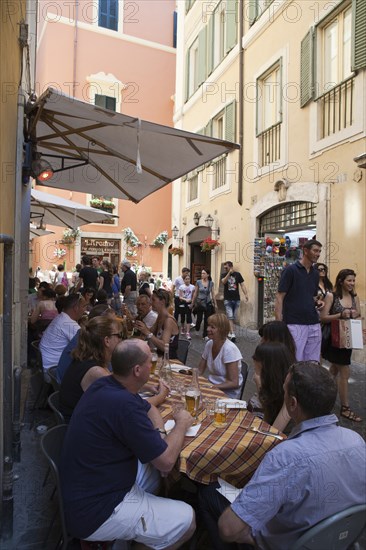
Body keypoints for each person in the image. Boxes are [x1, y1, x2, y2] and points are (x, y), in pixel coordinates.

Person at [199, 362, 365, 550]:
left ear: (292, 403)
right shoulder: (357, 441)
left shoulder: (286, 456)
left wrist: (253, 538)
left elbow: (228, 530)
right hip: (341, 540)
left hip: (290, 544)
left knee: (208, 494)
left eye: (285, 390)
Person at [60, 339, 195, 548]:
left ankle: (128, 539)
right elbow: (167, 461)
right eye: (150, 362)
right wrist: (182, 424)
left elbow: (149, 409)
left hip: (86, 485)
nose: (153, 367)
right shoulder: (123, 404)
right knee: (188, 519)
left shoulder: (106, 385)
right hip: (96, 511)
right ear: (138, 370)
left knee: (153, 473)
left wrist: (159, 436)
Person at [59, 316, 124, 422]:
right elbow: (127, 404)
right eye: (119, 335)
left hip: (80, 420)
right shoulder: (96, 371)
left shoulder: (86, 358)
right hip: (79, 429)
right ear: (107, 340)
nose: (121, 339)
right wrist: (160, 396)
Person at [320, 268, 362, 422]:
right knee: (344, 372)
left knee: (333, 370)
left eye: (353, 280)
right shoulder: (332, 296)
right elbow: (323, 317)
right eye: (349, 280)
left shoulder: (354, 297)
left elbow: (359, 314)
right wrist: (340, 314)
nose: (352, 283)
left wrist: (355, 317)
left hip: (348, 339)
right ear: (341, 281)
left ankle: (320, 396)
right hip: (334, 340)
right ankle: (345, 408)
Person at [275, 239, 322, 361]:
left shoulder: (315, 273)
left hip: (314, 323)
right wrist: (279, 323)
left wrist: (318, 302)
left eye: (319, 251)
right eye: (315, 251)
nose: (318, 254)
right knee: (295, 360)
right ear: (306, 251)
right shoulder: (291, 270)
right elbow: (280, 297)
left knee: (313, 361)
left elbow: (311, 296)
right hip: (294, 323)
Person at [39, 293, 86, 379]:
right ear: (76, 308)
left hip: (46, 365)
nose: (84, 310)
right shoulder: (69, 323)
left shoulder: (61, 318)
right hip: (52, 370)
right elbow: (86, 347)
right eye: (83, 307)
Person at [251, 342, 294, 432]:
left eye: (256, 358)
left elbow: (273, 432)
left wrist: (259, 384)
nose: (253, 360)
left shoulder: (289, 389)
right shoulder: (272, 383)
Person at [198, 314, 243, 399]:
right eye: (208, 326)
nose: (207, 329)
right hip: (211, 387)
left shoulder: (229, 349)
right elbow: (200, 370)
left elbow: (234, 383)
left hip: (228, 394)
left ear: (222, 330)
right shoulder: (209, 344)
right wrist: (186, 374)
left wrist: (211, 387)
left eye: (212, 327)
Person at [135, 289, 179, 359]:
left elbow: (164, 347)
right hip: (159, 358)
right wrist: (142, 328)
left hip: (170, 361)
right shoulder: (159, 316)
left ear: (162, 302)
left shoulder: (169, 320)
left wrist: (147, 332)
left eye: (153, 300)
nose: (151, 303)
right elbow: (149, 332)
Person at [221, 261, 249, 342]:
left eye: (226, 267)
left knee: (234, 317)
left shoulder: (238, 274)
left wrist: (246, 294)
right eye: (224, 268)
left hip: (236, 299)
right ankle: (233, 334)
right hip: (227, 299)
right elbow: (223, 281)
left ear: (231, 266)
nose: (225, 269)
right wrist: (228, 273)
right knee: (230, 316)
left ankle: (229, 331)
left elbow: (242, 284)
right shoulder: (224, 274)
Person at [192, 268, 217, 340]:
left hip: (208, 302)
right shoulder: (198, 282)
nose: (202, 275)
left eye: (204, 273)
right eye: (202, 273)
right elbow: (195, 293)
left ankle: (205, 335)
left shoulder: (211, 283)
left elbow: (213, 294)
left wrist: (215, 304)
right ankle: (197, 328)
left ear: (208, 275)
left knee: (207, 319)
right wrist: (192, 303)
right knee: (199, 319)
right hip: (200, 303)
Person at [178, 273, 195, 340]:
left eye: (188, 279)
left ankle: (187, 332)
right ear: (184, 280)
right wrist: (185, 300)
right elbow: (180, 297)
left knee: (189, 317)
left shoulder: (192, 287)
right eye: (186, 279)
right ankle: (182, 327)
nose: (187, 280)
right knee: (182, 317)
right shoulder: (181, 287)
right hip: (183, 303)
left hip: (189, 303)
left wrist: (192, 302)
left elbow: (193, 296)